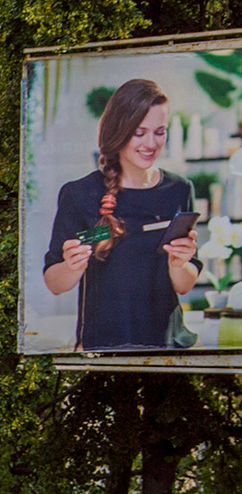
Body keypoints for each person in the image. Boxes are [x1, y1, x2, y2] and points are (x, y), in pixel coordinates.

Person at [43, 78, 201, 350]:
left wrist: (180, 263)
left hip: (167, 347)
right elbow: (55, 283)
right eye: (139, 133)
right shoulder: (79, 194)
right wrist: (72, 266)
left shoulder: (179, 189)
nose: (151, 143)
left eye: (160, 131)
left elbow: (184, 285)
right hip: (103, 346)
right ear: (119, 131)